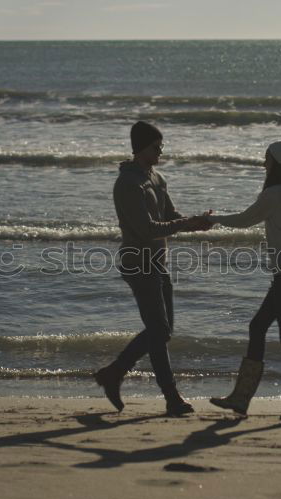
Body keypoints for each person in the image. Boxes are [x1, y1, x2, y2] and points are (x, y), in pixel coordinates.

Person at [94, 121, 212, 416]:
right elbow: (147, 230)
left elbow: (170, 216)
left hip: (158, 261)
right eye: (155, 147)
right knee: (159, 330)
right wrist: (185, 224)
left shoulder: (157, 178)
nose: (161, 151)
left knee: (164, 330)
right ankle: (171, 397)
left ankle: (113, 373)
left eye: (161, 145)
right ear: (139, 149)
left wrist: (196, 223)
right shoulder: (128, 184)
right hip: (137, 262)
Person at [207, 138, 281, 421]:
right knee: (259, 327)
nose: (263, 163)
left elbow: (246, 219)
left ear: (277, 162)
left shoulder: (276, 194)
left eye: (266, 158)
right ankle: (241, 398)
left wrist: (214, 219)